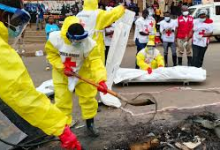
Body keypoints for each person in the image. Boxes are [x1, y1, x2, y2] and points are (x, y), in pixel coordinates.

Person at [0, 1, 81, 149]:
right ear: (4, 15)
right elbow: (20, 93)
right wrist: (59, 127)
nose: (16, 27)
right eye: (16, 20)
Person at [45, 16, 107, 137]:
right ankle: (64, 130)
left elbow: (96, 61)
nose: (78, 43)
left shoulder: (89, 43)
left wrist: (101, 79)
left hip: (82, 72)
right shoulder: (55, 39)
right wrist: (62, 67)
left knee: (88, 98)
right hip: (61, 75)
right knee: (62, 102)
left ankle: (90, 124)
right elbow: (51, 55)